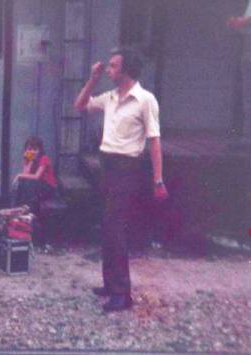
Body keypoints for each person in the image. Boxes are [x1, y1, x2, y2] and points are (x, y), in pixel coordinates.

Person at [74, 47, 168, 313]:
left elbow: (154, 141)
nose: (108, 70)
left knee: (117, 229)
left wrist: (158, 179)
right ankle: (109, 283)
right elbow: (80, 105)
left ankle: (122, 294)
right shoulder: (111, 97)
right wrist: (92, 79)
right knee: (106, 226)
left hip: (127, 168)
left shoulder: (145, 100)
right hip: (107, 165)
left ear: (126, 70)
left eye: (114, 66)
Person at [12, 136, 57, 215]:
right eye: (29, 149)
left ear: (40, 150)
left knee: (30, 183)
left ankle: (30, 211)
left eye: (35, 149)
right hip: (37, 186)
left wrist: (19, 175)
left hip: (49, 187)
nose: (32, 152)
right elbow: (26, 175)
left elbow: (37, 176)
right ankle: (15, 210)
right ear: (26, 150)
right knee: (22, 183)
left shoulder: (44, 158)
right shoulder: (31, 160)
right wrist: (27, 161)